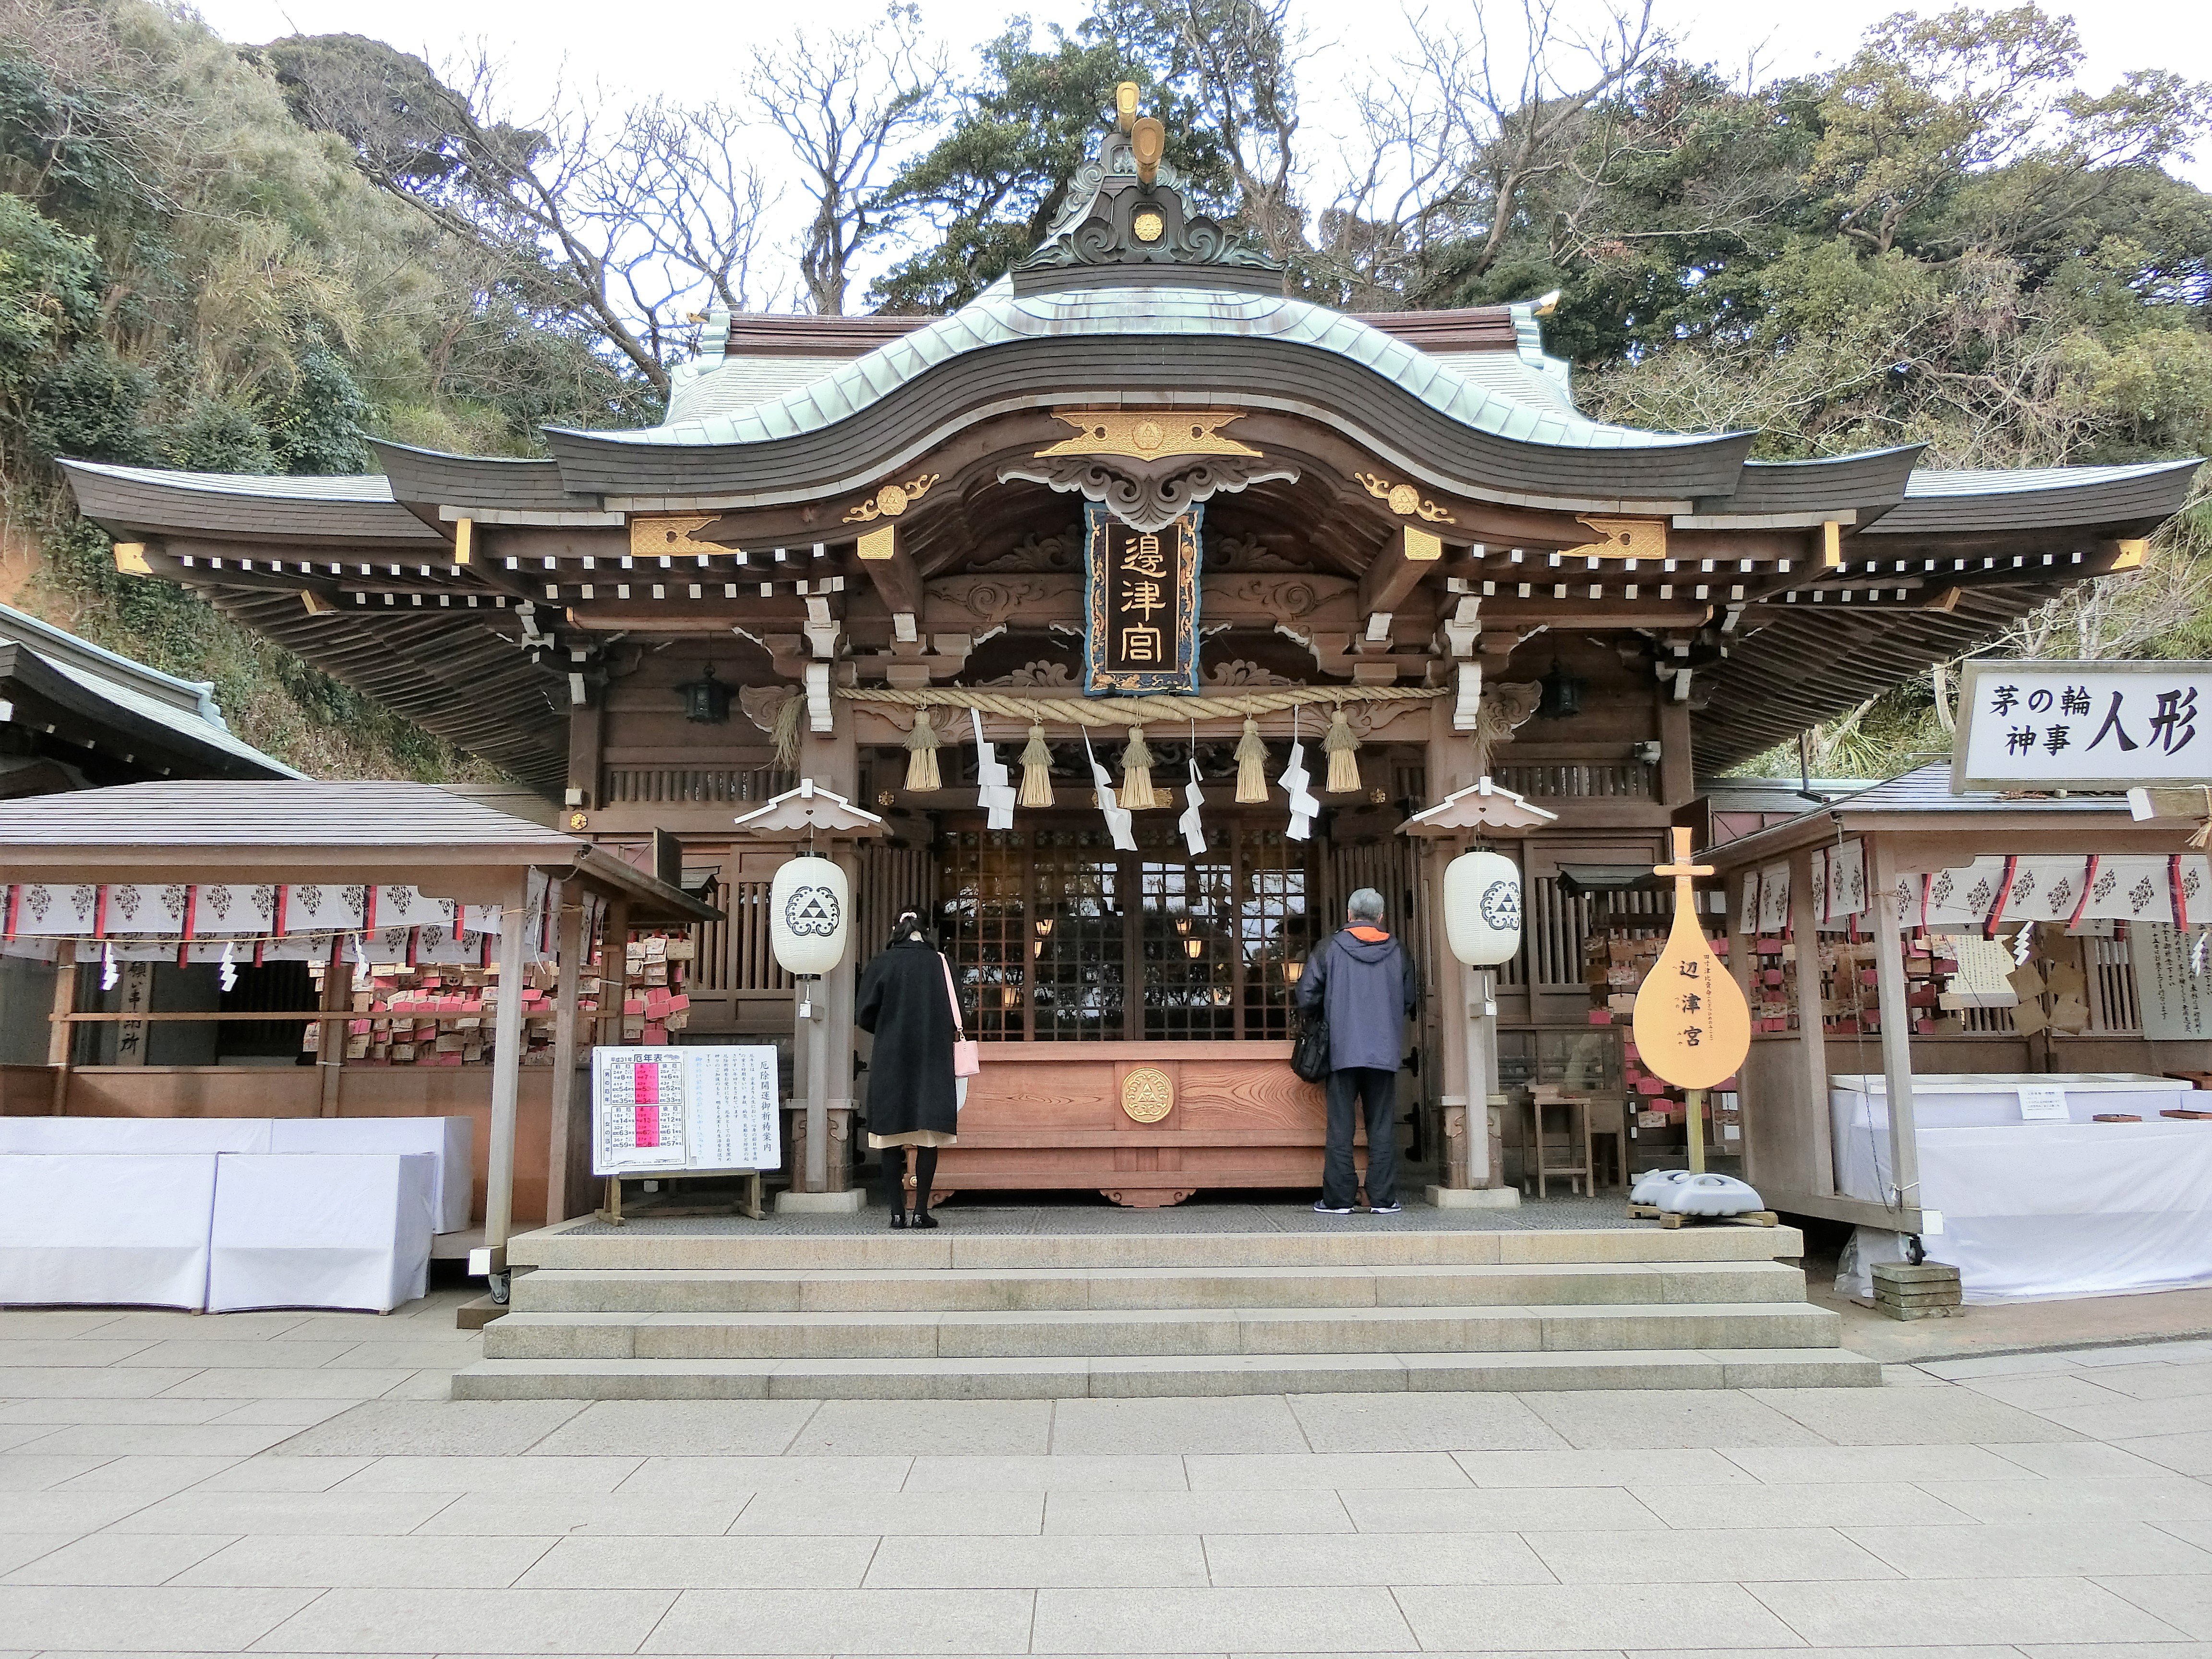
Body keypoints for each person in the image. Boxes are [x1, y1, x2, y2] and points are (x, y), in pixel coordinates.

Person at [1296, 886, 1417, 1215]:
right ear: (1380, 918)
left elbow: (1306, 996)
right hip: (1384, 1051)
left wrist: (1328, 1013)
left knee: (1341, 1126)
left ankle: (1337, 1200)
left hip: (1341, 1050)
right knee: (1381, 1126)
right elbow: (1408, 1000)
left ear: (1349, 915)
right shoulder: (1399, 951)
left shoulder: (1329, 948)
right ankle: (1382, 1198)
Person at [855, 908, 961, 1229]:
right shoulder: (941, 964)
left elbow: (863, 1014)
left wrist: (890, 1027)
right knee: (928, 1137)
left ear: (895, 928)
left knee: (889, 1137)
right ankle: (920, 1212)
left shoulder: (881, 963)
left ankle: (896, 1214)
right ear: (926, 930)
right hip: (932, 1058)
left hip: (891, 1057)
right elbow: (958, 1012)